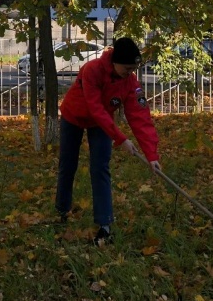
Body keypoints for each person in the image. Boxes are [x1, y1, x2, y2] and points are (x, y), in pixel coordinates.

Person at [55, 37, 161, 245]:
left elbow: (140, 118)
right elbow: (95, 108)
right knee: (68, 165)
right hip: (73, 117)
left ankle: (104, 225)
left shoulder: (130, 82)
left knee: (100, 168)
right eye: (127, 68)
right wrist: (121, 139)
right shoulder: (92, 70)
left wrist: (152, 155)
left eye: (133, 69)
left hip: (101, 124)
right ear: (115, 61)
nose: (130, 73)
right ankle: (62, 210)